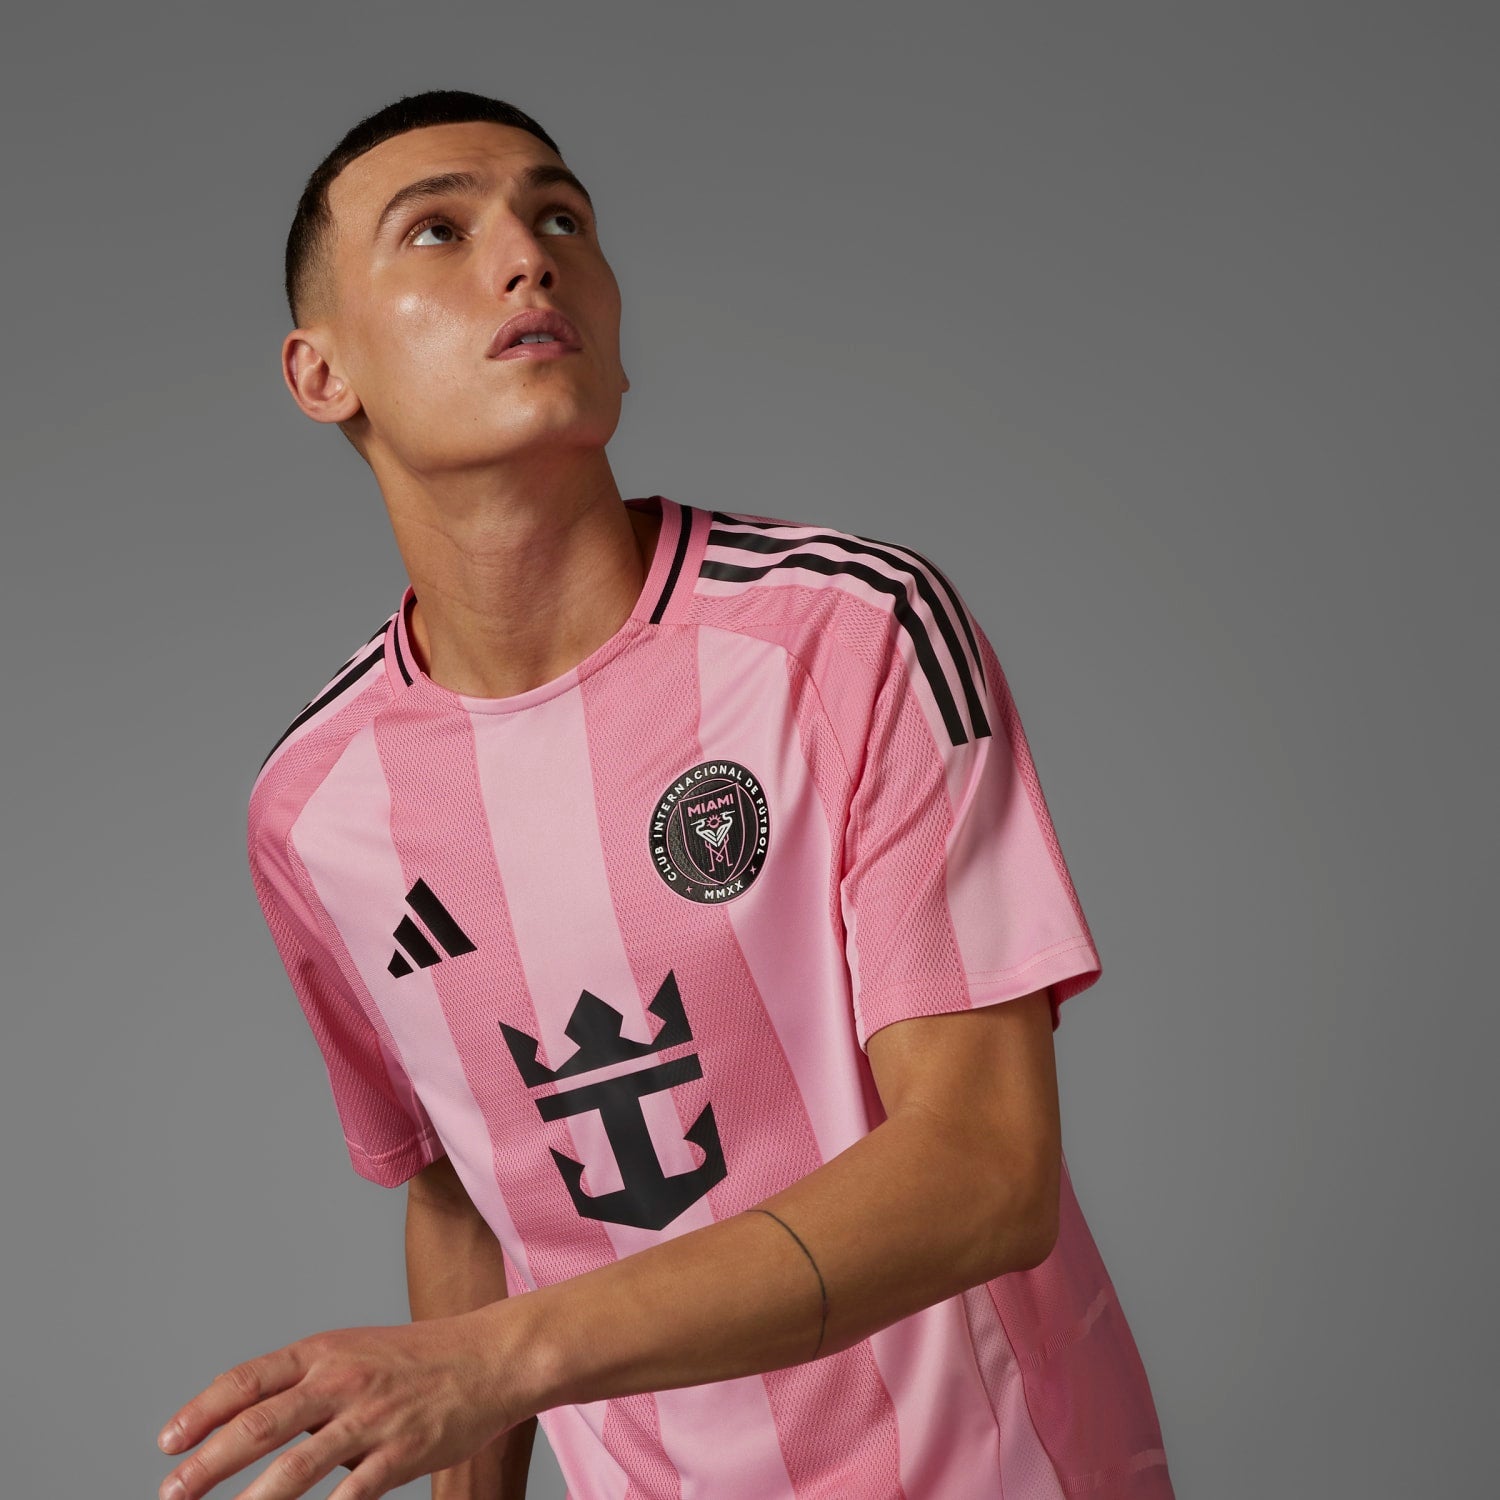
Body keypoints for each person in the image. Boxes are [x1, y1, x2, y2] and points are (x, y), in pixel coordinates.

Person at [156, 89, 1175, 1500]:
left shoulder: (850, 635)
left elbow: (986, 1169)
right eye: (439, 230)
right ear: (321, 373)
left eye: (561, 218)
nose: (529, 256)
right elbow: (465, 1188)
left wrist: (500, 1361)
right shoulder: (315, 808)